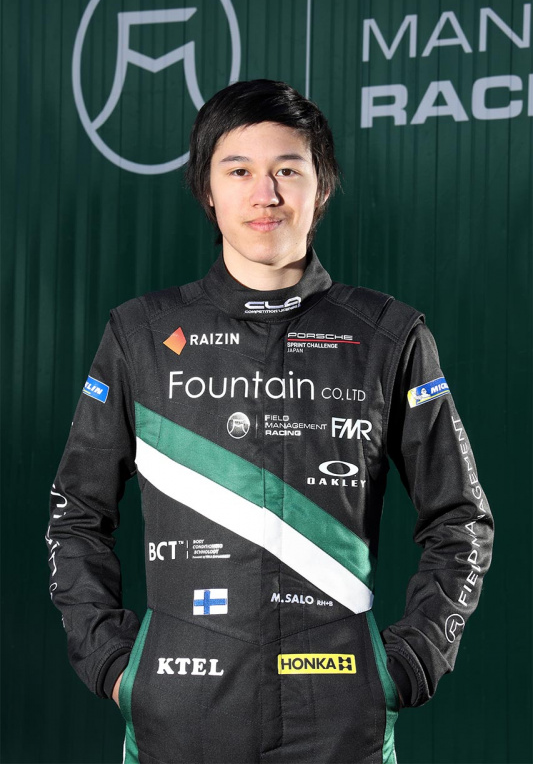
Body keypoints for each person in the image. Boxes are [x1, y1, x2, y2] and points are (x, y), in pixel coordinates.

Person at [46, 79, 493, 764]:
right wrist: (112, 662)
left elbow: (460, 520)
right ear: (207, 189)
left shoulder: (389, 334)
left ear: (322, 186)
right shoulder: (139, 334)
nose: (266, 194)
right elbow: (75, 513)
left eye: (288, 170)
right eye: (239, 171)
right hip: (179, 712)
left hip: (340, 717)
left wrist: (411, 662)